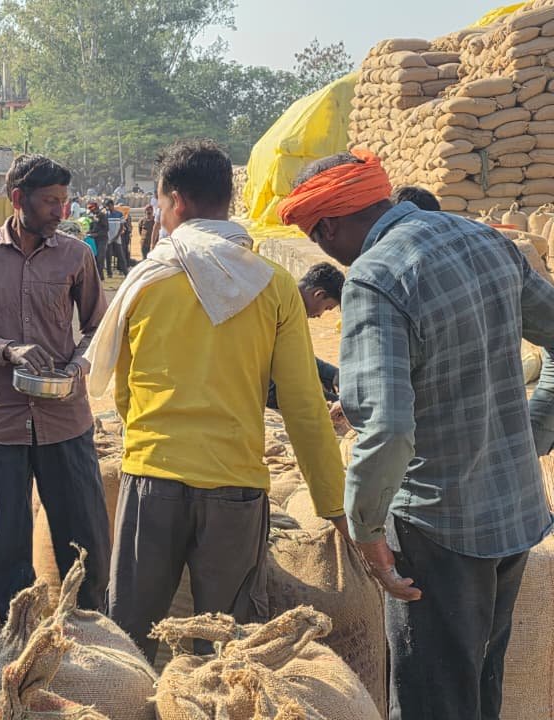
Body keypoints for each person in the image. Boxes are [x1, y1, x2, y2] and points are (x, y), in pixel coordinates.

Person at [278, 149, 554, 720]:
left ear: (328, 226)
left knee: (432, 698)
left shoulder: (376, 279)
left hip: (436, 527)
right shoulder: (487, 242)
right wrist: (535, 431)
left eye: (315, 236)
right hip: (512, 512)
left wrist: (368, 530)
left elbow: (388, 429)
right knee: (478, 686)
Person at [87, 140, 345, 662]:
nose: (158, 216)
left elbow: (125, 390)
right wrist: (334, 506)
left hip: (153, 479)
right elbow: (302, 406)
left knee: (131, 638)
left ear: (176, 201)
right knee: (229, 650)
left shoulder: (145, 280)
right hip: (236, 487)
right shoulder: (271, 285)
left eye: (158, 205)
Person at [0, 153, 110, 622]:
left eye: (64, 201)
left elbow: (100, 327)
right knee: (6, 543)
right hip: (3, 421)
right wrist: (7, 350)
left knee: (86, 540)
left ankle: (90, 628)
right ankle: (18, 636)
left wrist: (77, 365)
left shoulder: (77, 254)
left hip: (66, 419)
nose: (61, 211)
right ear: (18, 199)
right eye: (50, 202)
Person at [266, 262, 345, 409]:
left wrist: (334, 374)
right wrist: (333, 400)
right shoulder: (275, 306)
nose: (320, 315)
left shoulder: (286, 298)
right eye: (327, 308)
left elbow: (296, 356)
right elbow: (281, 379)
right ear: (319, 294)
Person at [105, 201, 131, 276]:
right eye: (107, 206)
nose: (108, 208)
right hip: (109, 238)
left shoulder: (119, 214)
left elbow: (121, 226)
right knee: (108, 256)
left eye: (109, 206)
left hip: (117, 238)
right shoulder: (106, 215)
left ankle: (125, 272)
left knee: (121, 255)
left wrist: (117, 236)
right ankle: (109, 273)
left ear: (112, 205)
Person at [87, 200, 110, 280]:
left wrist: (96, 234)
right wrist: (88, 232)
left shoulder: (102, 216)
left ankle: (99, 277)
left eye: (91, 208)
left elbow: (106, 229)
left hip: (102, 239)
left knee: (100, 258)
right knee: (95, 258)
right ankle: (98, 277)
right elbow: (92, 228)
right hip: (94, 240)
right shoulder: (92, 216)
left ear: (95, 207)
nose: (91, 210)